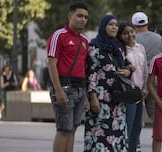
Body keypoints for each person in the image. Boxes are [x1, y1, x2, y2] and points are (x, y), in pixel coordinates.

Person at [84, 15, 134, 151]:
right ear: (103, 26)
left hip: (118, 98)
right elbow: (91, 72)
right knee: (100, 134)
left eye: (116, 25)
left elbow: (128, 64)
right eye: (110, 24)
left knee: (117, 135)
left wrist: (128, 70)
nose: (114, 27)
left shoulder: (117, 47)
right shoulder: (95, 46)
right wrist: (92, 96)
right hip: (101, 98)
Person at [46, 2, 89, 152]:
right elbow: (51, 64)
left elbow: (84, 68)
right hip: (64, 86)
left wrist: (87, 97)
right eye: (79, 16)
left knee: (72, 129)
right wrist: (58, 90)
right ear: (70, 16)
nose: (83, 19)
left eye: (85, 17)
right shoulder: (59, 35)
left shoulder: (85, 41)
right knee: (63, 129)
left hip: (80, 88)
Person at [131, 11, 162, 151]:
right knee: (155, 113)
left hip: (137, 80)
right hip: (156, 79)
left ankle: (136, 143)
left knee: (136, 114)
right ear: (147, 23)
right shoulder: (159, 38)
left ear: (134, 25)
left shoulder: (133, 39)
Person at [117, 22, 148, 152]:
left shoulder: (140, 47)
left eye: (132, 31)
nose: (130, 35)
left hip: (139, 93)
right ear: (120, 35)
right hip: (127, 94)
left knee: (137, 128)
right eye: (125, 33)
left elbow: (145, 69)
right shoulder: (119, 50)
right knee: (127, 128)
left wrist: (144, 90)